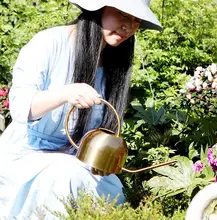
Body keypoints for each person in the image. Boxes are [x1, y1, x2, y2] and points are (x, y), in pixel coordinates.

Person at [0, 0, 162, 219]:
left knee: (111, 191)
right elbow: (21, 108)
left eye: (136, 20)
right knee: (63, 176)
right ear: (98, 8)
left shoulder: (116, 62)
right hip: (27, 156)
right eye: (123, 15)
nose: (129, 27)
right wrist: (65, 93)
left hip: (77, 162)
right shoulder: (49, 43)